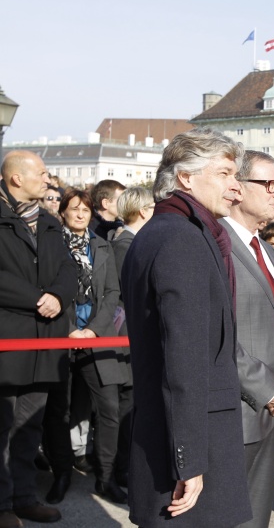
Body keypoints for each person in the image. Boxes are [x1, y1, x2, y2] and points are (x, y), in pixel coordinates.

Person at [120, 127, 252, 526]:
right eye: (225, 174)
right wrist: (190, 462)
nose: (237, 188)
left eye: (237, 176)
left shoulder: (167, 231)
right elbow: (185, 360)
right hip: (187, 451)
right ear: (185, 178)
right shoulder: (181, 239)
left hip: (177, 433)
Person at [220, 150, 274, 527]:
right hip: (237, 411)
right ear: (237, 187)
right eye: (268, 184)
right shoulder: (217, 246)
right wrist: (267, 387)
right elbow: (217, 335)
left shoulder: (268, 252)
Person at [0, 150, 77, 527]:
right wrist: (36, 299)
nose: (49, 180)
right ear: (17, 179)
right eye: (42, 174)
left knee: (30, 425)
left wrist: (59, 296)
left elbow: (68, 267)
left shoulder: (47, 221)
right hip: (8, 341)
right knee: (1, 426)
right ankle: (2, 506)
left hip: (45, 342)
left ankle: (24, 497)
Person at [56, 190, 130, 504]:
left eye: (85, 210)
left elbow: (113, 292)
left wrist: (92, 331)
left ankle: (106, 477)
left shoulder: (102, 245)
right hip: (59, 338)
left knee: (109, 410)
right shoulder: (51, 244)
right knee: (59, 411)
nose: (80, 214)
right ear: (62, 213)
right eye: (74, 209)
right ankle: (61, 475)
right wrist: (71, 330)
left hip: (97, 339)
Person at [109, 186, 154, 488]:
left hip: (129, 335)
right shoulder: (127, 244)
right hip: (125, 337)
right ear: (142, 211)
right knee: (127, 406)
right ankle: (119, 470)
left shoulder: (129, 242)